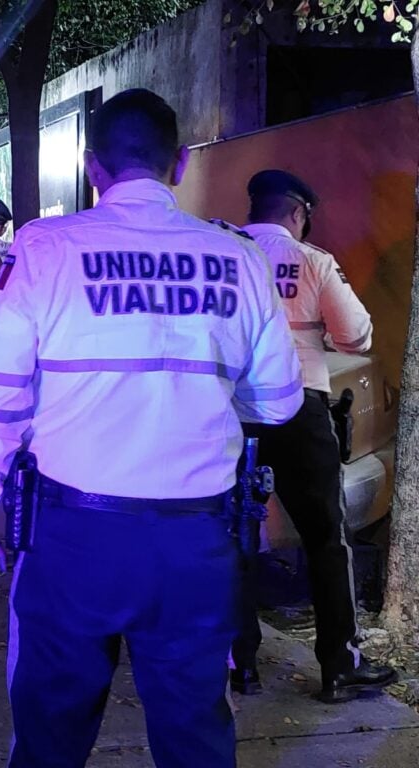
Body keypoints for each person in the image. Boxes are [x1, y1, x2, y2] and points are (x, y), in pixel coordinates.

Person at [0, 89, 304, 767]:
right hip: (196, 547)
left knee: (49, 738)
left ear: (91, 166)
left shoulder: (45, 250)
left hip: (72, 542)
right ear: (180, 163)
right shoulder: (239, 259)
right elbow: (280, 403)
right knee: (197, 740)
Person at [231, 169, 397, 703]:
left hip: (231, 412)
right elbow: (356, 334)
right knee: (327, 539)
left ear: (255, 207)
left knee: (232, 539)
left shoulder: (224, 254)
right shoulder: (313, 260)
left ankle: (241, 663)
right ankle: (339, 665)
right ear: (298, 214)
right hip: (300, 407)